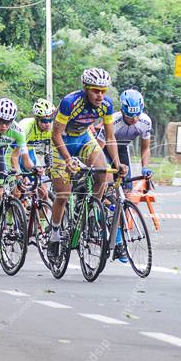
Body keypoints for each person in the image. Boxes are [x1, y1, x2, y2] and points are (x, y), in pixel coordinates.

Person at [49, 68, 126, 245]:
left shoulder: (106, 105)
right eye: (95, 91)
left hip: (84, 138)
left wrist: (118, 163)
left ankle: (91, 212)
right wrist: (68, 160)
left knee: (104, 174)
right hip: (63, 141)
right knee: (63, 194)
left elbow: (109, 137)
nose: (100, 95)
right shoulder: (70, 102)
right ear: (85, 88)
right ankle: (54, 233)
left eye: (103, 91)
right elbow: (56, 135)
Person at [95, 89, 153, 262]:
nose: (133, 120)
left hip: (122, 148)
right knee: (109, 182)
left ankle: (118, 240)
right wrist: (104, 170)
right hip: (103, 148)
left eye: (136, 116)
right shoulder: (113, 121)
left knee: (125, 195)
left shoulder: (145, 121)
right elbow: (98, 147)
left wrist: (145, 167)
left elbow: (145, 147)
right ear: (123, 110)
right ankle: (99, 209)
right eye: (129, 117)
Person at [18, 98, 55, 199]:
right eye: (44, 121)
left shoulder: (51, 129)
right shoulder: (27, 128)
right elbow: (21, 157)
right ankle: (16, 209)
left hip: (29, 153)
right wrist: (21, 175)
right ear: (37, 119)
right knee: (19, 192)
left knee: (44, 193)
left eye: (50, 120)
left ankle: (38, 213)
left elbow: (55, 150)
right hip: (16, 154)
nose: (48, 124)